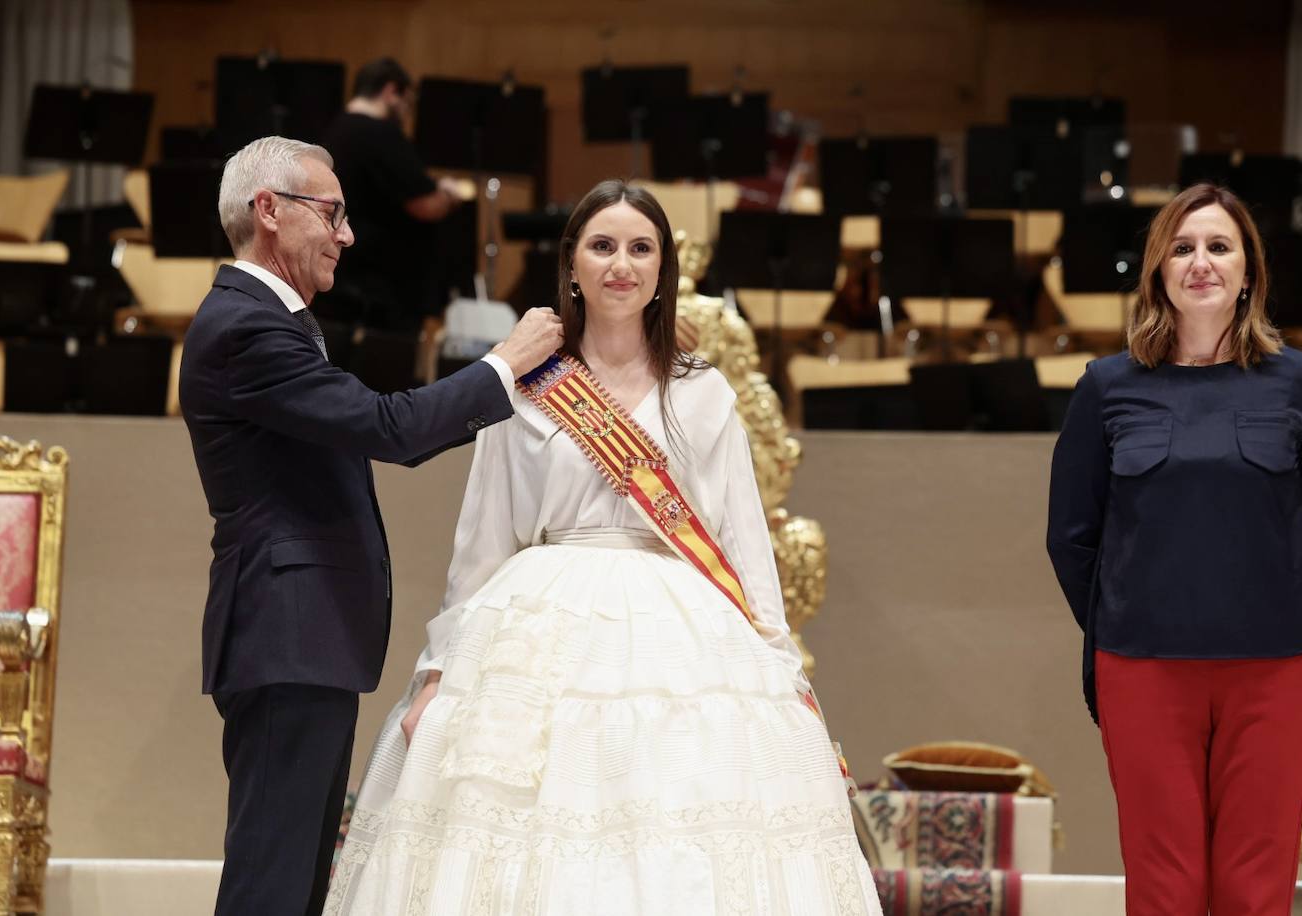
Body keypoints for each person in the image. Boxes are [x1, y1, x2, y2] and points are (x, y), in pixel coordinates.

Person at [325, 179, 881, 915]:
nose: (622, 264)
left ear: (662, 272)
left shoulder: (704, 391)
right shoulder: (525, 387)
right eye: (603, 246)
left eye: (641, 248)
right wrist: (436, 672)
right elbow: (484, 540)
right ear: (573, 266)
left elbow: (743, 542)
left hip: (684, 621)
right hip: (536, 618)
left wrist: (781, 666)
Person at [179, 135, 562, 916]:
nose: (347, 236)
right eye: (334, 214)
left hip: (301, 639)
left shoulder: (267, 320)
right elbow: (389, 428)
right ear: (270, 211)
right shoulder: (245, 326)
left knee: (295, 880)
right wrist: (504, 364)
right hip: (286, 635)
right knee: (272, 881)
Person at [1047, 183, 1302, 915]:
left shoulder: (1301, 383)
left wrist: (1290, 602)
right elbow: (1072, 537)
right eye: (1182, 248)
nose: (1200, 262)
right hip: (1143, 670)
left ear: (1249, 273)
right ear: (1157, 272)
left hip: (1277, 667)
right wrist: (1128, 611)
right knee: (1165, 887)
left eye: (1218, 247)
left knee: (1253, 887)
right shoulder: (1106, 388)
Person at [319, 57, 464, 333]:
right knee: (387, 372)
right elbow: (425, 205)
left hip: (343, 273)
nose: (407, 114)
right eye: (407, 103)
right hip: (381, 289)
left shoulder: (336, 129)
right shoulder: (380, 133)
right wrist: (448, 194)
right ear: (390, 92)